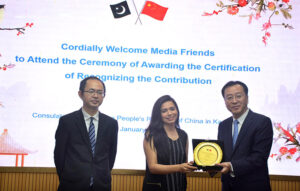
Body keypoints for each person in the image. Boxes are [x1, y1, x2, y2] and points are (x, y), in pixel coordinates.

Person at [54, 76, 118, 191]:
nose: (95, 95)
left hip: (101, 186)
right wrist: (67, 177)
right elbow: (59, 155)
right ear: (80, 94)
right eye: (91, 91)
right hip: (71, 185)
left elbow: (111, 156)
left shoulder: (111, 124)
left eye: (100, 92)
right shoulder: (67, 121)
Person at [217, 81, 273, 191]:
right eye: (229, 97)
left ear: (247, 98)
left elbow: (259, 157)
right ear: (225, 101)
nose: (234, 101)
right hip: (228, 187)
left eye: (238, 96)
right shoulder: (223, 125)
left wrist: (231, 166)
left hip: (254, 186)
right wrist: (211, 165)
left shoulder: (262, 122)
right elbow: (223, 155)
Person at [142, 95, 197, 191]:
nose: (170, 113)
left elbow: (183, 165)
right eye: (164, 111)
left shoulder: (183, 135)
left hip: (179, 186)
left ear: (177, 111)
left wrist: (191, 166)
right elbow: (153, 167)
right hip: (157, 187)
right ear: (158, 114)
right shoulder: (151, 135)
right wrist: (179, 167)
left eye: (172, 109)